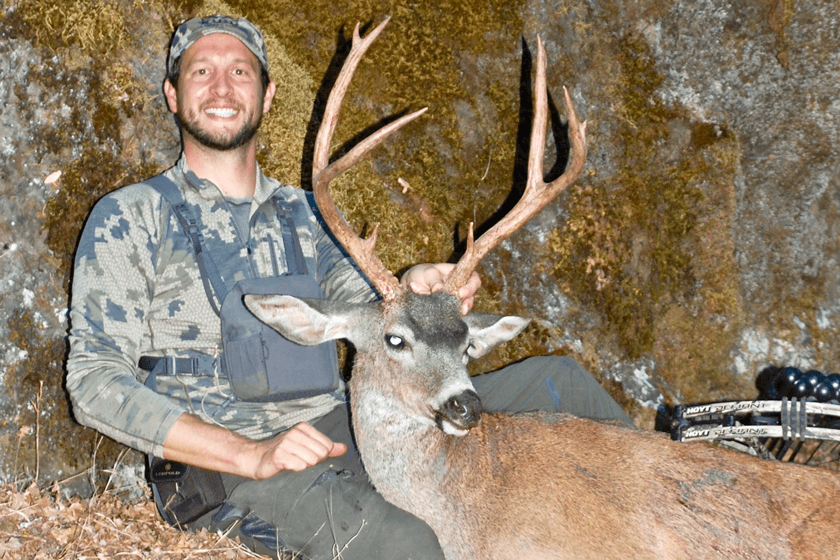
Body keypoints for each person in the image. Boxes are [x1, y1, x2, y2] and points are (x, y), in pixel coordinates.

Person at [66, 14, 633, 560]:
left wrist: (417, 285)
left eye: (240, 71)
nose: (221, 85)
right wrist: (253, 454)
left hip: (341, 422)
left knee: (561, 384)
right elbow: (93, 384)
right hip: (220, 465)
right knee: (412, 545)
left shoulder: (308, 213)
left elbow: (369, 308)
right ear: (172, 94)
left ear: (266, 96)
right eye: (200, 71)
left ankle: (688, 500)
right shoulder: (131, 216)